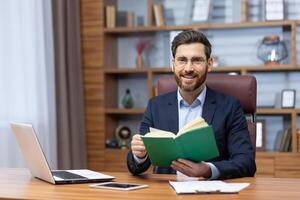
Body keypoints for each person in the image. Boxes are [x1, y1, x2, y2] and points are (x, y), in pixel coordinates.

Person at [127, 30, 256, 180]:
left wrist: (207, 170)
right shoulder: (156, 106)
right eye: (182, 60)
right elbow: (136, 167)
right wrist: (139, 155)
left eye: (196, 60)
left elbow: (246, 163)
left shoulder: (230, 107)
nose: (188, 68)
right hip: (166, 193)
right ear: (173, 64)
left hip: (211, 192)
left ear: (209, 64)